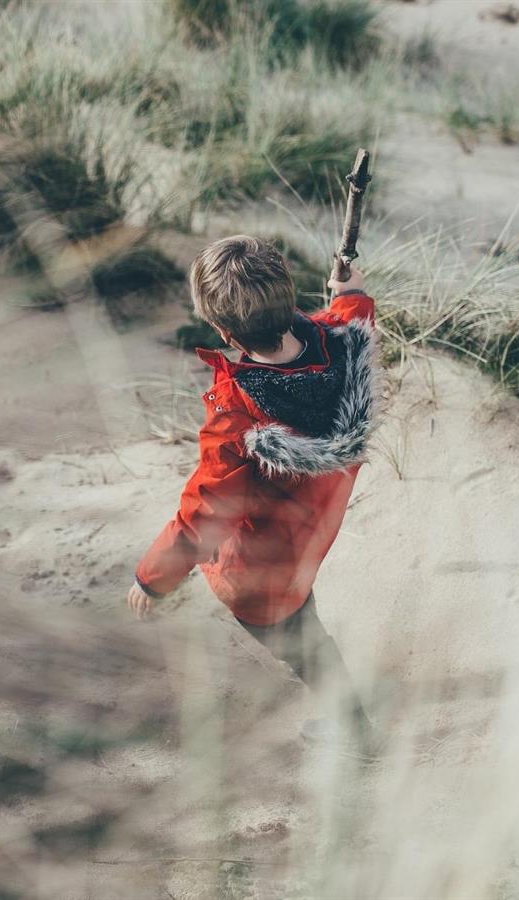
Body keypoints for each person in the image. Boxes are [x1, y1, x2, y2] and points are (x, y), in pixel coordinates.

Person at [126, 235, 377, 745]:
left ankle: (356, 736)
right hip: (310, 537)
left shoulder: (236, 413)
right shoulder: (341, 347)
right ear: (289, 299)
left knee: (304, 644)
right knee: (306, 623)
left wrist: (154, 578)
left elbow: (205, 510)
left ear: (222, 329)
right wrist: (352, 293)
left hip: (259, 572)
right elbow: (351, 318)